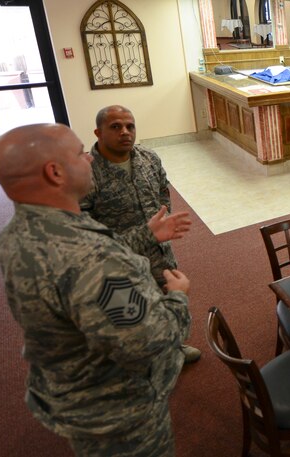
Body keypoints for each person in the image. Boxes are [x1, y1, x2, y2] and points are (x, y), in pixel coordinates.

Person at [0, 124, 191, 456]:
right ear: (55, 172)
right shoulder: (92, 259)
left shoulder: (16, 233)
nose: (89, 158)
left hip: (72, 390)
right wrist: (178, 298)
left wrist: (145, 235)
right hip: (118, 411)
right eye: (80, 152)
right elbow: (147, 343)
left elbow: (79, 266)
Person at [80, 105, 200, 364]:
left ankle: (174, 347)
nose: (125, 132)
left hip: (159, 251)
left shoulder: (149, 158)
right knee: (131, 313)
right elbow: (85, 230)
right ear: (98, 132)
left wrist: (164, 226)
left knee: (167, 298)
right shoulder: (85, 174)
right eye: (116, 127)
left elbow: (162, 194)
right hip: (118, 258)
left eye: (130, 126)